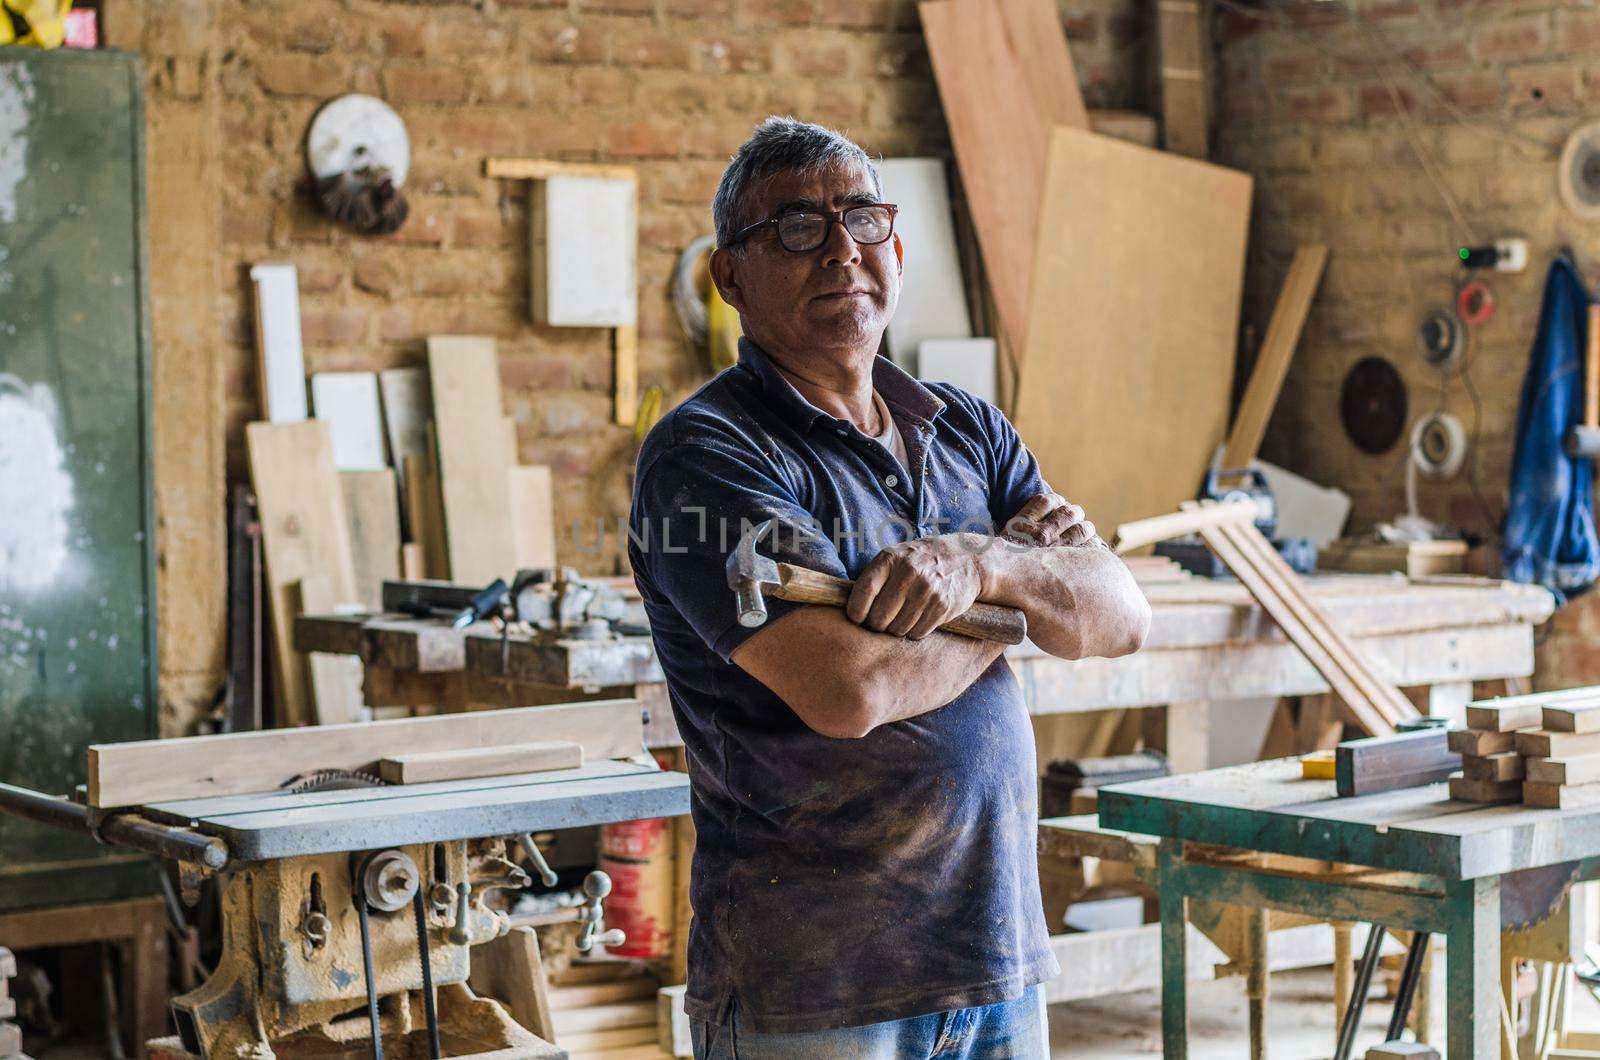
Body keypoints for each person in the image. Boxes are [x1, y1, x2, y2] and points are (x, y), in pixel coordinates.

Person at [628, 116, 1151, 1059]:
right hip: (820, 989)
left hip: (994, 961)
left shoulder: (967, 428)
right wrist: (1022, 602)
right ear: (730, 277)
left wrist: (980, 563)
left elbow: (1119, 618)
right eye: (796, 228)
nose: (841, 251)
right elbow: (850, 688)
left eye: (862, 220)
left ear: (896, 248)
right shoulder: (703, 455)